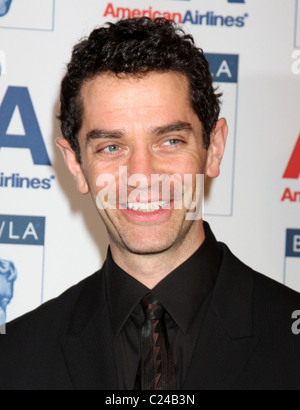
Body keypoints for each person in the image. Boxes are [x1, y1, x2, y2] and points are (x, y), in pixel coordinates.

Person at [0, 17, 300, 391]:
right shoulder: (16, 356)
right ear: (76, 164)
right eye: (111, 147)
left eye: (170, 141)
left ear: (214, 148)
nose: (141, 175)